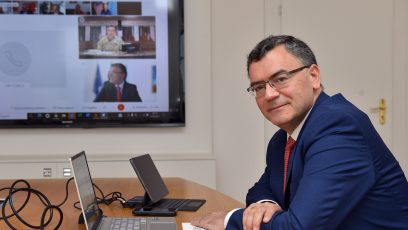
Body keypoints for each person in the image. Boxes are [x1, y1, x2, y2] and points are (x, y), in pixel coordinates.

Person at [192, 35, 408, 229]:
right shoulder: (283, 139)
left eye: (281, 79)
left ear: (314, 76)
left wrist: (229, 220)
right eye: (258, 87)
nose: (268, 94)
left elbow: (299, 227)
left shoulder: (338, 127)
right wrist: (266, 204)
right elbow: (259, 191)